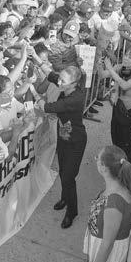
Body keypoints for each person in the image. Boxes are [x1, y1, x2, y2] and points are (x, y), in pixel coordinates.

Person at [38, 66, 87, 229]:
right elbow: (51, 75)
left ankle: (72, 212)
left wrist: (36, 96)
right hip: (64, 137)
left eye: (63, 81)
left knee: (68, 177)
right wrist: (35, 58)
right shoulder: (64, 86)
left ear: (74, 83)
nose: (59, 82)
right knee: (63, 172)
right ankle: (65, 198)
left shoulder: (75, 99)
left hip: (76, 141)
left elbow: (47, 107)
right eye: (60, 78)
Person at [84, 145, 131, 262]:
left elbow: (107, 245)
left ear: (103, 167)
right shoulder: (121, 187)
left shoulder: (113, 204)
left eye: (97, 158)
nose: (96, 160)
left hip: (108, 260)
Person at [100, 47, 131, 165]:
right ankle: (118, 165)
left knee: (127, 143)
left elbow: (125, 85)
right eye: (125, 55)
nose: (125, 58)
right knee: (116, 137)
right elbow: (102, 75)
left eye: (130, 57)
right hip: (118, 108)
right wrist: (97, 62)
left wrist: (110, 68)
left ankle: (128, 168)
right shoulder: (121, 67)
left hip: (130, 112)